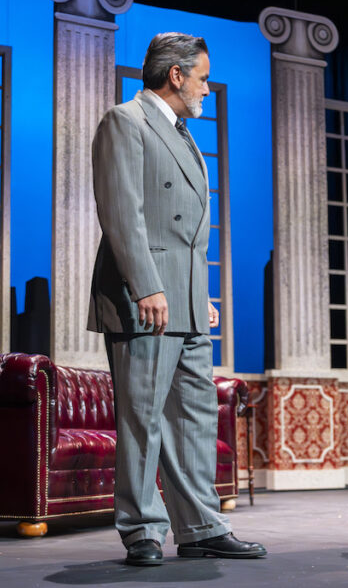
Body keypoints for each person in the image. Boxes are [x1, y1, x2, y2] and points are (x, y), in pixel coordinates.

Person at [87, 32, 266, 566]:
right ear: (176, 75)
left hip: (183, 301)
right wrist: (148, 285)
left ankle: (202, 525)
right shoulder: (126, 121)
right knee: (142, 415)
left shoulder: (182, 133)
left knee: (193, 416)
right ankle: (142, 526)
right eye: (203, 78)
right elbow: (123, 213)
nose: (207, 89)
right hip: (143, 296)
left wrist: (197, 293)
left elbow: (186, 231)